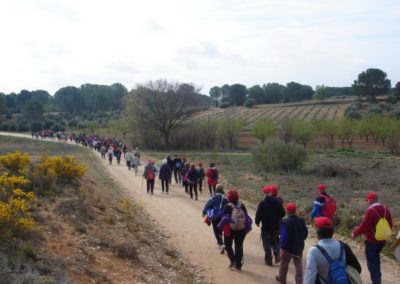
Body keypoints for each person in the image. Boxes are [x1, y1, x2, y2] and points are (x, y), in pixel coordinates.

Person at [305, 217, 361, 284]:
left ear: (317, 232)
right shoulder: (343, 246)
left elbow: (310, 275)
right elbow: (358, 268)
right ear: (332, 231)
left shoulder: (313, 251)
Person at [352, 192, 393, 284]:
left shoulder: (371, 211)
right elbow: (390, 224)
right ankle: (378, 278)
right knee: (376, 259)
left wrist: (355, 233)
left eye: (368, 200)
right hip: (382, 240)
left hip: (372, 240)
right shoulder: (385, 209)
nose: (367, 202)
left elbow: (364, 226)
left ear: (371, 200)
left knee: (372, 263)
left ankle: (376, 281)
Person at [275, 203, 308, 284]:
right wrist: (299, 240)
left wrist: (282, 247)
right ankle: (299, 282)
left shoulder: (285, 222)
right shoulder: (301, 220)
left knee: (284, 264)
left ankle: (282, 279)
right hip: (299, 247)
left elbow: (283, 237)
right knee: (298, 265)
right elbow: (305, 234)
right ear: (295, 211)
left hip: (287, 248)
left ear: (287, 211)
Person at [218, 189, 250, 270]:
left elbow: (223, 219)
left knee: (228, 244)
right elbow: (246, 217)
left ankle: (233, 260)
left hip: (230, 229)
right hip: (241, 230)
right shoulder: (242, 205)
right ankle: (238, 264)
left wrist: (220, 231)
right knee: (239, 246)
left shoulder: (227, 206)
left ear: (229, 197)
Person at [255, 186, 285, 266]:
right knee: (274, 240)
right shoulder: (277, 203)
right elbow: (283, 214)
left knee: (266, 244)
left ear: (265, 193)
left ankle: (268, 260)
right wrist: (277, 217)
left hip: (266, 227)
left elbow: (258, 214)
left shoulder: (262, 203)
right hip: (275, 226)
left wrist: (257, 222)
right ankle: (277, 253)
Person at [202, 184, 229, 253]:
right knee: (221, 230)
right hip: (224, 216)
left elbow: (208, 205)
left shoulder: (213, 197)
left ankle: (221, 244)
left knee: (216, 230)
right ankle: (220, 243)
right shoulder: (226, 198)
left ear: (216, 189)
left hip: (216, 216)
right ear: (222, 189)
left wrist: (204, 212)